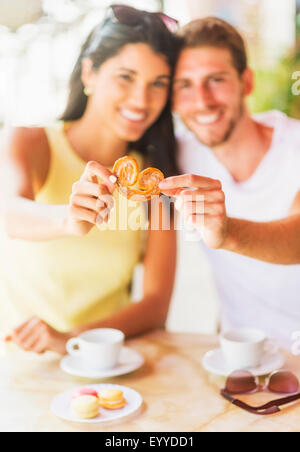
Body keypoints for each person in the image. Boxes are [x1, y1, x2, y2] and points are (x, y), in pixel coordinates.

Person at [0, 5, 182, 354]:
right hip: (19, 365)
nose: (142, 100)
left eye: (158, 84)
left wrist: (73, 339)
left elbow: (156, 305)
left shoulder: (153, 182)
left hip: (105, 365)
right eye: (126, 77)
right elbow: (9, 212)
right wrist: (67, 219)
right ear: (90, 73)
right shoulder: (30, 142)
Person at [159, 17, 300, 348]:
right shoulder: (179, 154)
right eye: (184, 85)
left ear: (246, 82)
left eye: (216, 80)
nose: (203, 101)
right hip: (240, 355)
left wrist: (228, 232)